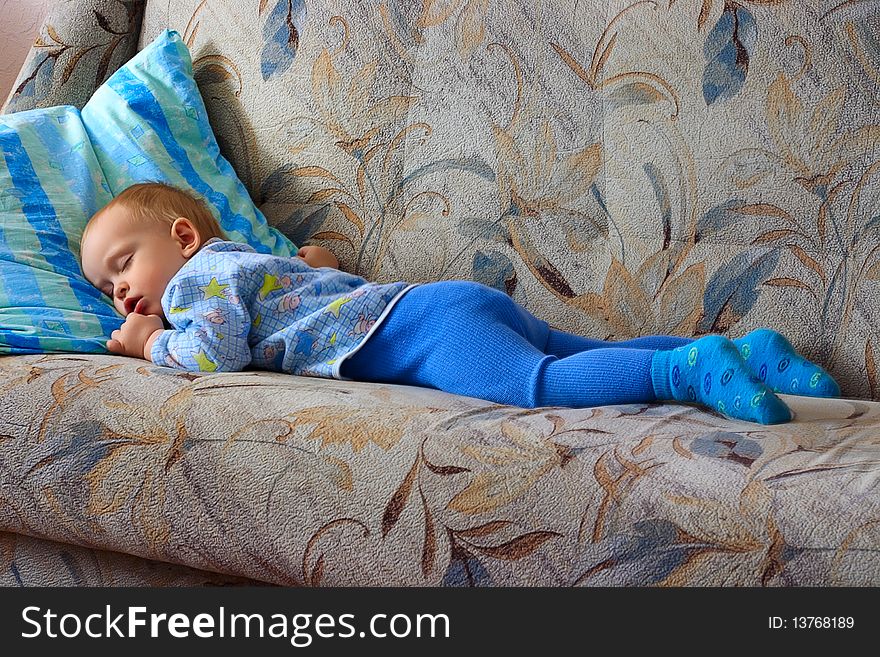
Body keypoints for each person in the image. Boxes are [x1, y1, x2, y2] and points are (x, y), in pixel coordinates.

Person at [79, 182, 841, 425]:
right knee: (572, 353)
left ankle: (692, 370)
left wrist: (150, 342)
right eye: (107, 290)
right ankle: (753, 350)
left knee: (539, 386)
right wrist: (319, 260)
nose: (121, 292)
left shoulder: (195, 284)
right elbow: (312, 268)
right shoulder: (247, 261)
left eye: (122, 266)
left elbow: (216, 351)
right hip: (441, 303)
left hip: (423, 333)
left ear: (183, 237)